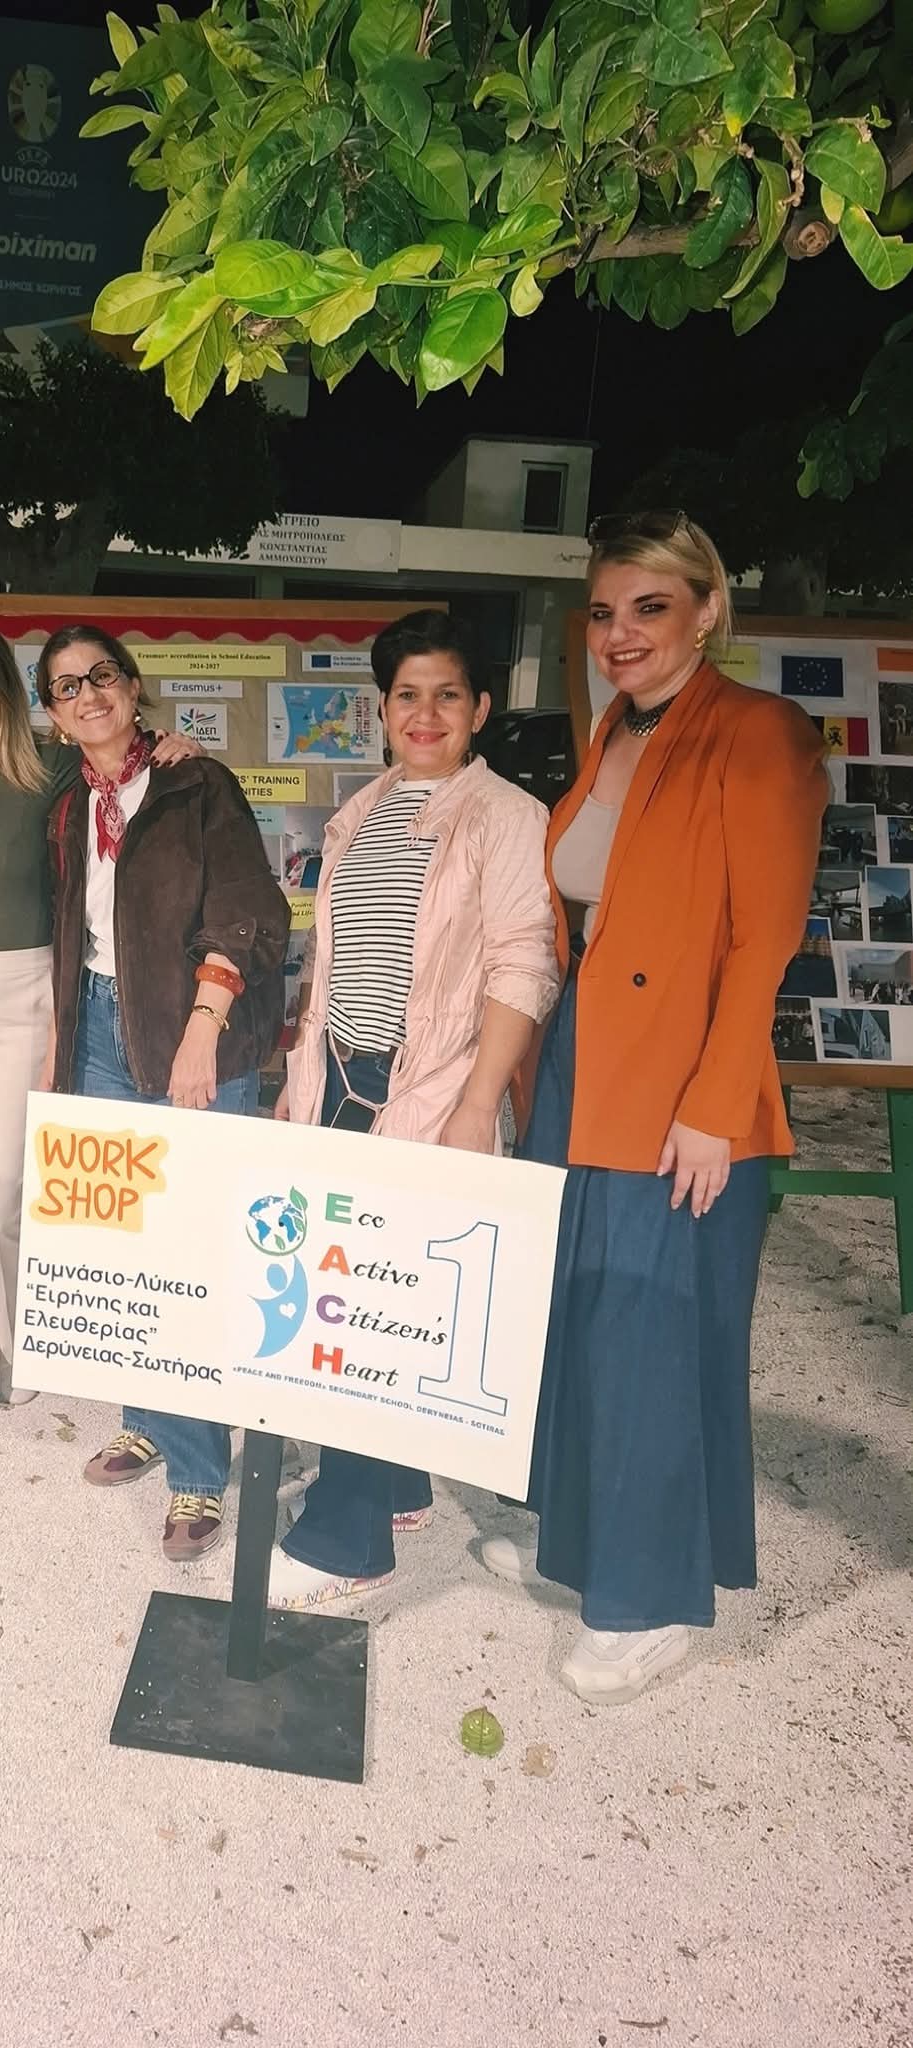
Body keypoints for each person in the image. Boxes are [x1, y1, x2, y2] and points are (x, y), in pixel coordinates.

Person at [483, 510, 826, 1704]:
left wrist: (715, 1102)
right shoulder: (616, 728)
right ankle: (582, 1542)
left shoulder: (759, 732)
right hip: (585, 1062)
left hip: (683, 1078)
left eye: (650, 607)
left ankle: (647, 1599)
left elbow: (764, 939)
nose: (620, 633)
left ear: (707, 608)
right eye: (603, 611)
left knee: (651, 1331)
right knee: (579, 1312)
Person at [264, 611, 559, 1609]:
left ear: (479, 709)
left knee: (369, 1310)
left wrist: (478, 1104)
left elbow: (523, 964)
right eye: (406, 695)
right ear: (382, 710)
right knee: (353, 1289)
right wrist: (302, 1073)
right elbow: (335, 960)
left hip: (429, 1090)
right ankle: (393, 1485)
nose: (424, 714)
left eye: (446, 695)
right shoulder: (364, 809)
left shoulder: (506, 816)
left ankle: (346, 1541)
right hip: (340, 1081)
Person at [0, 613, 201, 1440]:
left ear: (2, 687)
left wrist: (173, 745)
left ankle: (22, 1343)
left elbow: (126, 759)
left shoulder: (52, 770)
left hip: (19, 989)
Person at [36, 623, 290, 1562]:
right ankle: (147, 1418)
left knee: (194, 1254)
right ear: (53, 714)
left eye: (101, 674)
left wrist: (203, 1031)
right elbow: (71, 934)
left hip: (190, 1029)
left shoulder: (195, 782)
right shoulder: (70, 804)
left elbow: (248, 910)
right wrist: (61, 1049)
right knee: (127, 1248)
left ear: (133, 685)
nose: (88, 694)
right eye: (67, 686)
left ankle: (197, 1471)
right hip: (100, 1031)